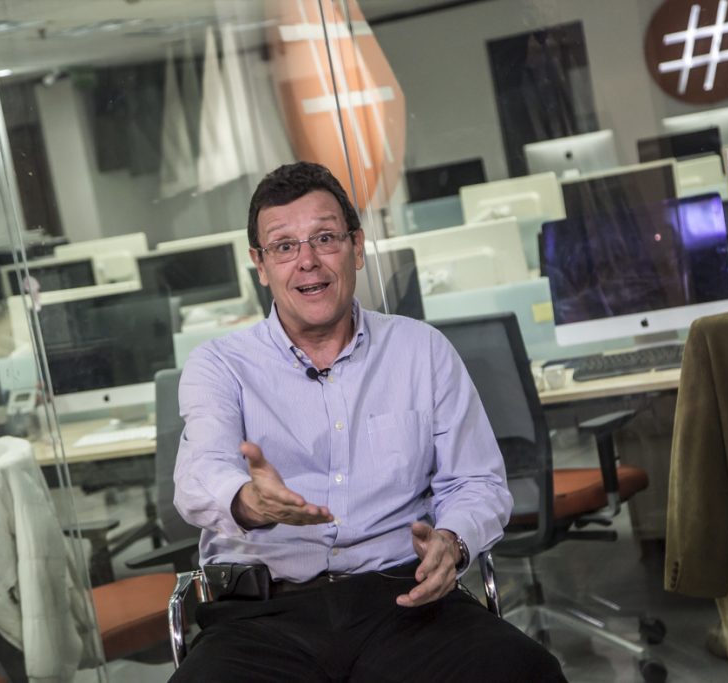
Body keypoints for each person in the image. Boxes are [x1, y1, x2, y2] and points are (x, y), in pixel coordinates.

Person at [170, 162, 566, 682]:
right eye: (284, 246)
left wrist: (453, 540)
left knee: (526, 672)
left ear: (356, 247)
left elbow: (477, 482)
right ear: (260, 265)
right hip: (262, 618)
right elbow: (199, 476)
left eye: (325, 238)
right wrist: (249, 501)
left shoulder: (421, 350)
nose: (307, 261)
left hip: (405, 601)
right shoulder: (219, 364)